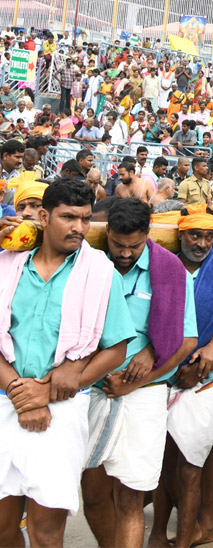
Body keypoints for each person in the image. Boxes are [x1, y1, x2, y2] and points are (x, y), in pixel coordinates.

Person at [0, 178, 135, 548]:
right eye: (68, 217)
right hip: (5, 401)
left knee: (46, 531)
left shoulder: (99, 271)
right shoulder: (7, 264)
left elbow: (117, 349)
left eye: (85, 219)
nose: (78, 227)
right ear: (43, 216)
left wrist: (50, 390)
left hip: (61, 409)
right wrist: (18, 391)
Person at [81, 198, 198, 548]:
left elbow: (186, 340)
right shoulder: (91, 264)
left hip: (145, 392)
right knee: (94, 495)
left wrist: (140, 377)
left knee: (131, 498)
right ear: (108, 234)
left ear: (148, 235)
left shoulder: (170, 270)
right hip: (92, 386)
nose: (126, 253)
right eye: (118, 245)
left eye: (134, 246)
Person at [152, 210, 213, 548]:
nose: (202, 243)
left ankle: (184, 539)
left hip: (205, 383)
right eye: (194, 235)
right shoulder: (163, 267)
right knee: (163, 466)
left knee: (191, 467)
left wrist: (211, 357)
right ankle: (157, 534)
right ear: (180, 235)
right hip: (160, 379)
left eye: (208, 237)